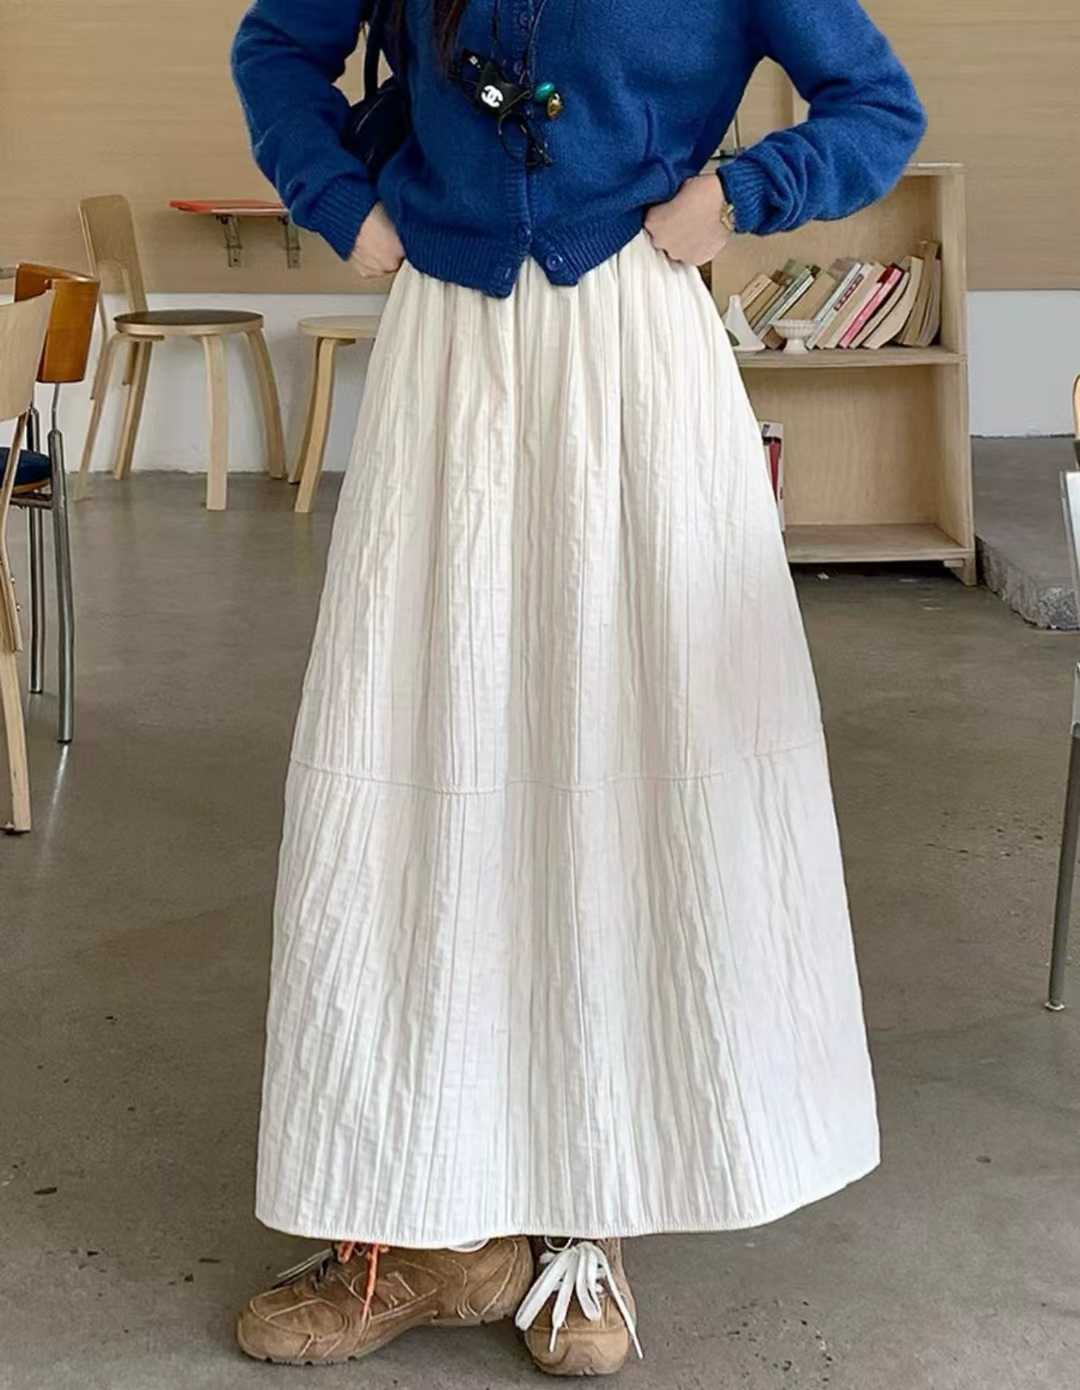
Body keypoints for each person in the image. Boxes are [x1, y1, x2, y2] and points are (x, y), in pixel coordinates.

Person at [229, 0, 926, 1374]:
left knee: (617, 760)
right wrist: (339, 202)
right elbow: (277, 48)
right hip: (449, 356)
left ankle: (582, 1218)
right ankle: (429, 1225)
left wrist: (740, 194)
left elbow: (877, 106)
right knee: (428, 748)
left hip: (637, 362)